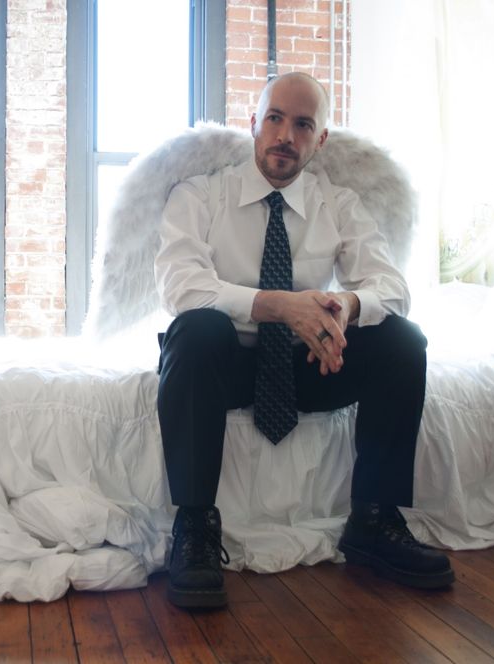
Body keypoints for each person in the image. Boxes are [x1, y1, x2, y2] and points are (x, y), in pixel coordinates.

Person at [154, 71, 454, 609]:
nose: (285, 136)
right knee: (196, 328)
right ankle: (195, 527)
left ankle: (374, 520)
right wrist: (279, 305)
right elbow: (183, 286)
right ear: (253, 123)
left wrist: (343, 308)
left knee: (402, 341)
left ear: (320, 140)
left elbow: (392, 287)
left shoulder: (337, 204)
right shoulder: (200, 195)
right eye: (274, 118)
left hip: (310, 365)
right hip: (225, 366)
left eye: (302, 125)